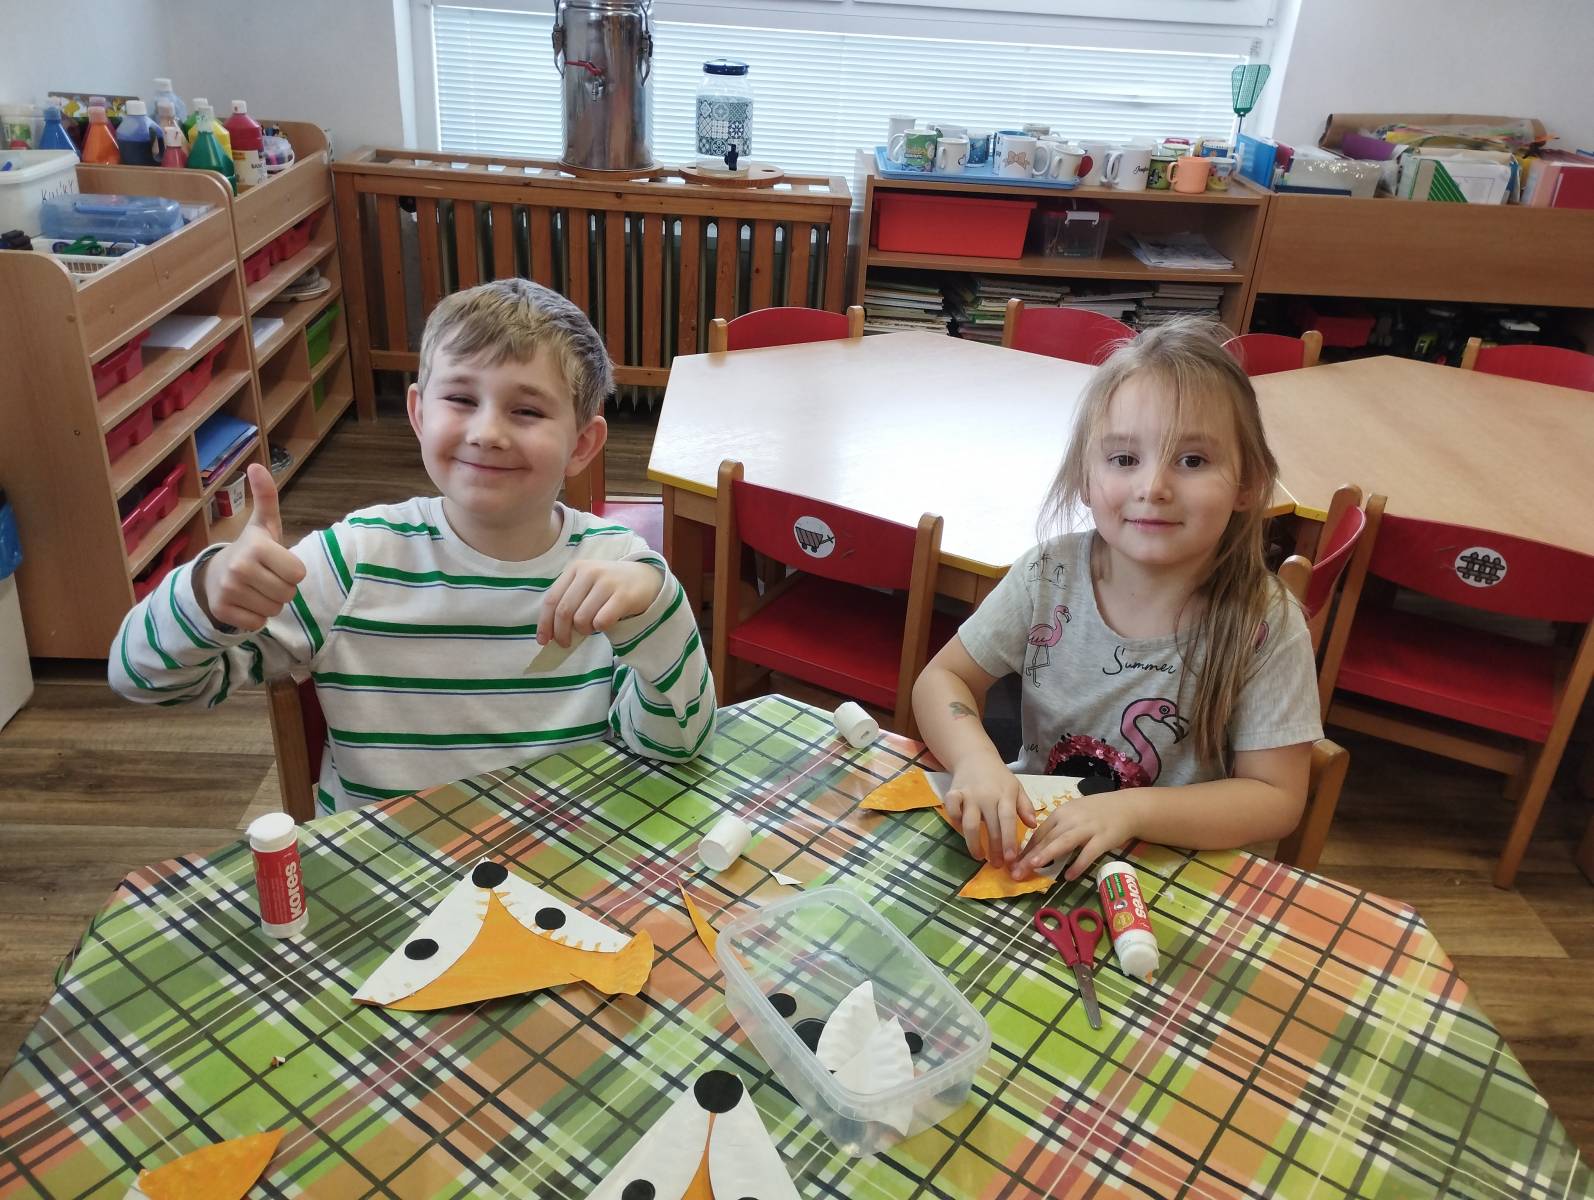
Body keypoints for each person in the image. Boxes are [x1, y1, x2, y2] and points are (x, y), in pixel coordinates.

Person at [110, 279, 714, 813]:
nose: (487, 432)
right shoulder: (354, 561)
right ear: (420, 414)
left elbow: (673, 747)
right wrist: (207, 595)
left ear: (581, 445)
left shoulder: (615, 569)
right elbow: (144, 679)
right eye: (461, 399)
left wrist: (657, 609)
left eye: (527, 410)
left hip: (559, 863)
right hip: (386, 876)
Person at [912, 318, 1321, 881]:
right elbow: (942, 679)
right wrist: (976, 760)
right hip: (1034, 848)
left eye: (1193, 460)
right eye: (1125, 459)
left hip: (1170, 866)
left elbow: (1275, 797)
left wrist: (1130, 810)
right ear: (1086, 478)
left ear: (1247, 483)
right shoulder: (1048, 575)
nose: (1153, 487)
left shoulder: (1265, 624)